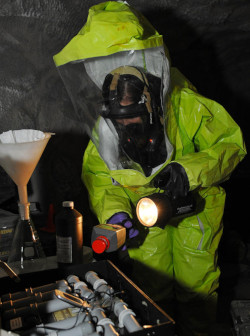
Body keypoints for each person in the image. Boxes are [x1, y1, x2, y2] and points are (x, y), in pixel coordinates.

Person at [53, 2, 246, 335]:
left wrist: (188, 170)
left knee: (197, 292)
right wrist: (114, 214)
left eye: (133, 116)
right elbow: (102, 179)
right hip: (146, 220)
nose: (127, 124)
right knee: (150, 292)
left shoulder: (187, 106)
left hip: (195, 212)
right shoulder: (106, 129)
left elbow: (232, 147)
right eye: (120, 118)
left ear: (149, 101)